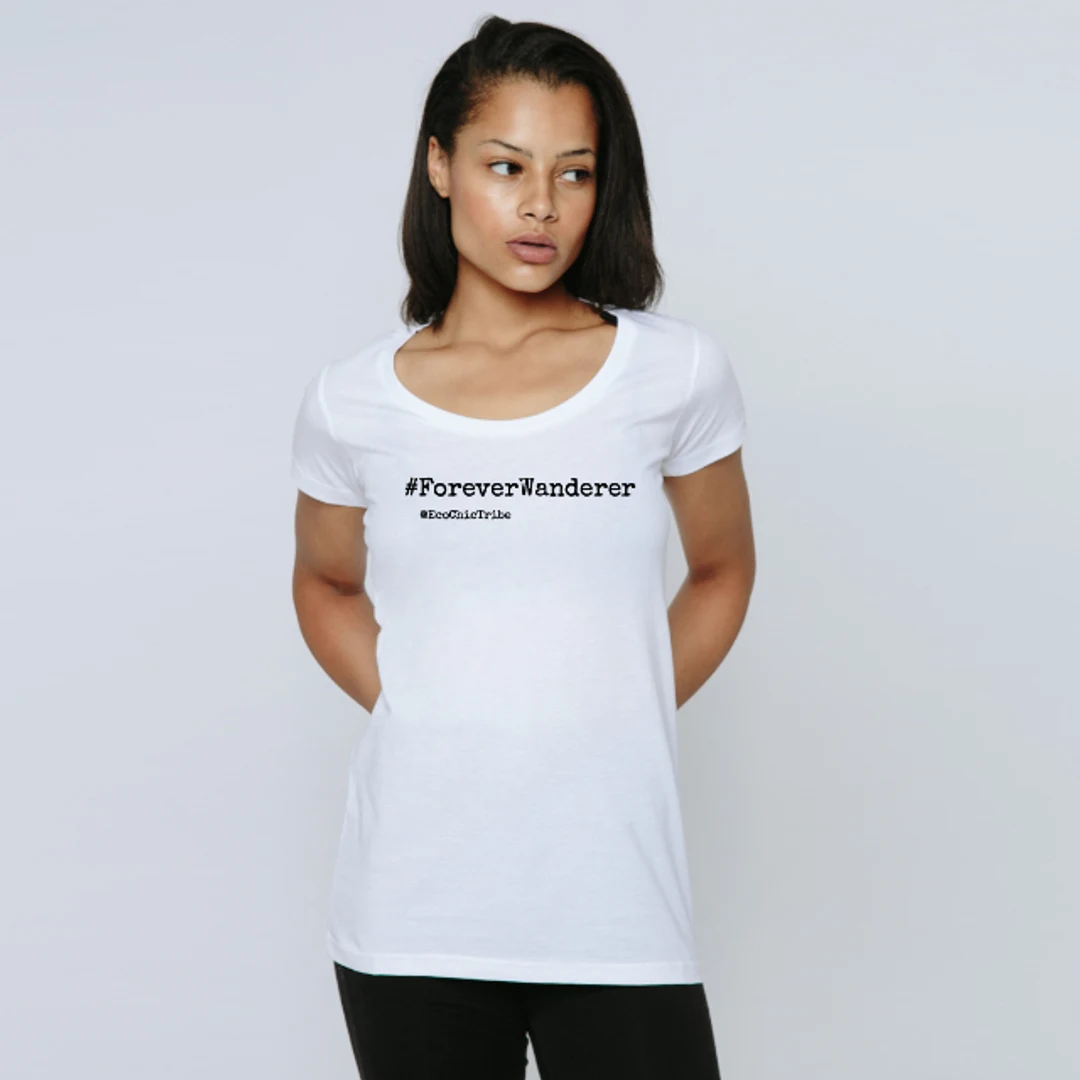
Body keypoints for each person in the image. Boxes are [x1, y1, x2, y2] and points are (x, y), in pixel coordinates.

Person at [290, 15, 755, 1079]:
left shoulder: (673, 373)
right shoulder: (351, 400)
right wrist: (423, 698)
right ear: (440, 166)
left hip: (616, 906)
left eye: (574, 172)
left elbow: (723, 569)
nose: (542, 204)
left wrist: (615, 698)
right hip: (411, 911)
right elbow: (324, 581)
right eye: (507, 166)